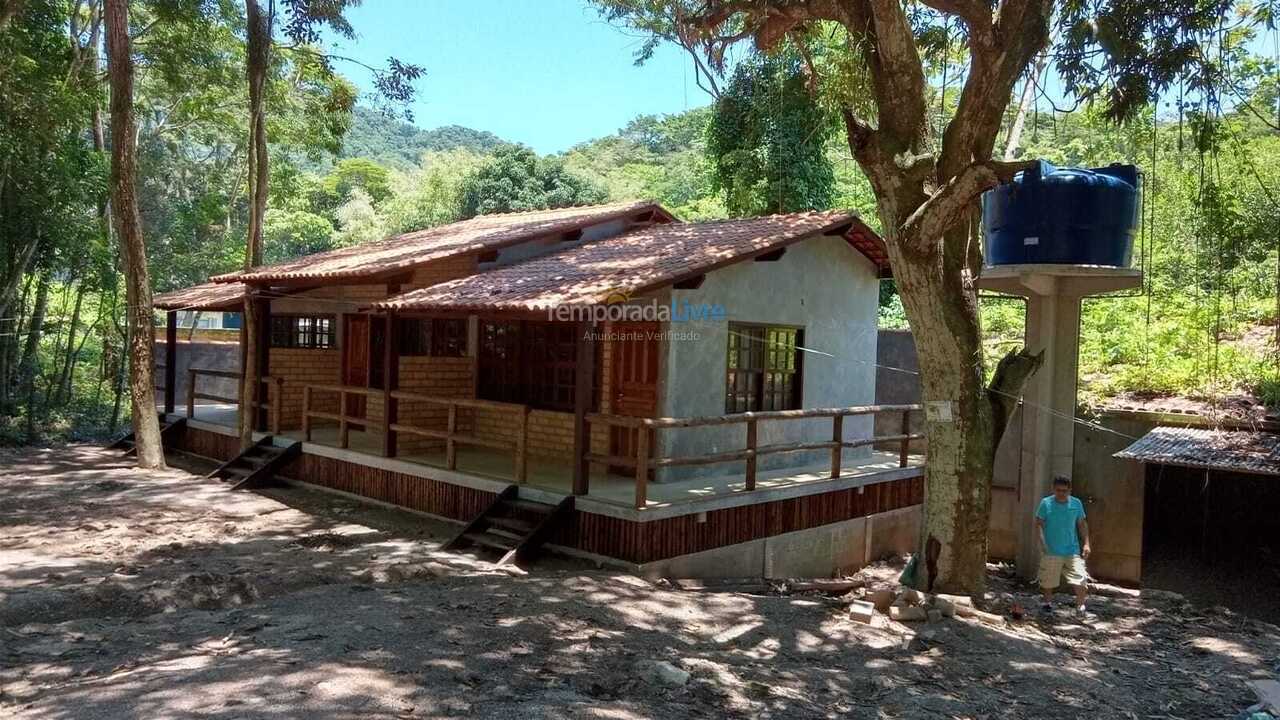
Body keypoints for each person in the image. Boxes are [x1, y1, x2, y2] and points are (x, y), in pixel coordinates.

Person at [1035, 475, 1091, 618]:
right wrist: (1042, 541)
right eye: (1058, 490)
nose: (1061, 493)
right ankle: (1047, 604)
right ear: (1053, 489)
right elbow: (1039, 523)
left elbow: (1082, 524)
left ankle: (1080, 606)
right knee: (1048, 579)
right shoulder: (1046, 503)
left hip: (1072, 550)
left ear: (1069, 490)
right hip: (1051, 549)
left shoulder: (1076, 504)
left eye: (1064, 491)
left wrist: (1086, 543)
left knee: (1080, 577)